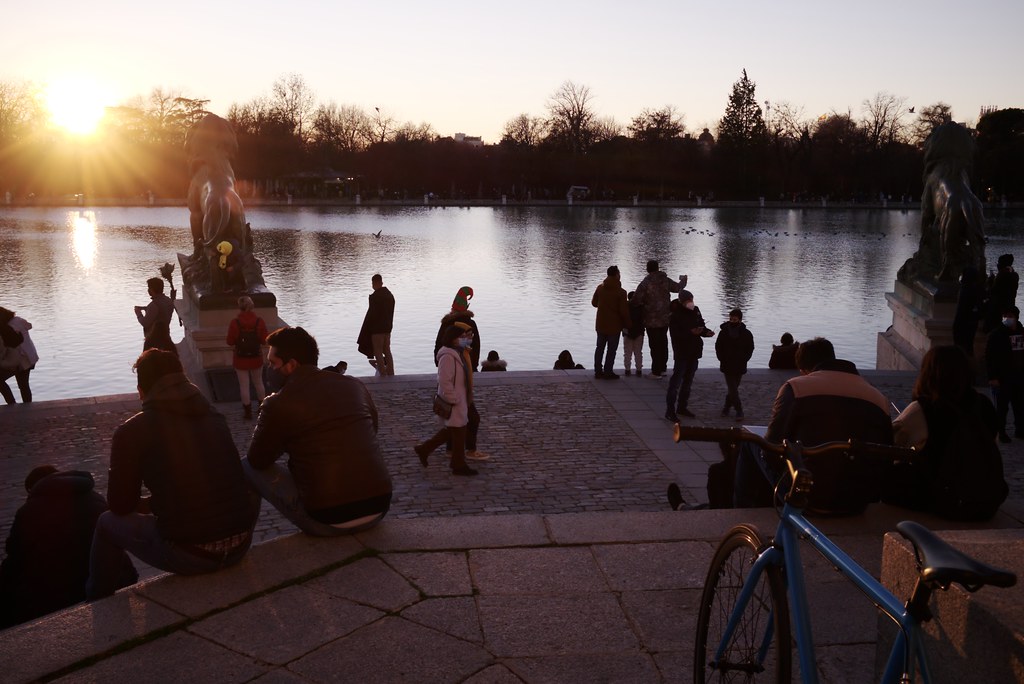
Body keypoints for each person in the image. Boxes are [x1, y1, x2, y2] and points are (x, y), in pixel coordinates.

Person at [87, 349, 258, 599]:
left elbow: (120, 506)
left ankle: (97, 600)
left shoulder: (132, 431)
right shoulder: (215, 416)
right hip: (241, 545)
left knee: (106, 523)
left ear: (141, 391)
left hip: (189, 553)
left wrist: (149, 504)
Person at [243, 326, 394, 535]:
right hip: (379, 507)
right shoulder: (354, 385)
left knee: (246, 467)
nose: (269, 368)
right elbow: (372, 429)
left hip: (328, 517)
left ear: (292, 365)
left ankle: (238, 539)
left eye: (272, 363)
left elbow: (258, 460)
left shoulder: (279, 403)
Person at [732, 337, 893, 514]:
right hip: (858, 500)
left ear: (804, 370)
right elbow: (886, 455)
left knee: (751, 443)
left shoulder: (797, 388)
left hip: (808, 494)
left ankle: (743, 512)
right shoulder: (879, 398)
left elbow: (772, 448)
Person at [1, 466, 136, 628]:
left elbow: (15, 556)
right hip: (117, 579)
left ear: (33, 488)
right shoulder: (97, 498)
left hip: (68, 591)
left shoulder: (29, 511)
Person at [886, 345, 1008, 519]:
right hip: (985, 498)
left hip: (944, 495)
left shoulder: (923, 409)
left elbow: (890, 442)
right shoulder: (984, 405)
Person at [415, 324, 480, 475]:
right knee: (458, 430)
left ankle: (426, 450)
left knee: (454, 430)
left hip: (461, 398)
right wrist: (453, 398)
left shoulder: (459, 353)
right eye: (462, 337)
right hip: (454, 400)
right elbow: (444, 380)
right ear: (453, 339)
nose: (466, 339)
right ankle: (458, 465)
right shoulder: (448, 357)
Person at [666, 290, 714, 422]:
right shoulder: (675, 315)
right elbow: (675, 335)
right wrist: (690, 333)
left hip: (694, 351)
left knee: (688, 381)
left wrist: (705, 332)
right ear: (682, 301)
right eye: (688, 300)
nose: (691, 303)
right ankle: (670, 410)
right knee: (676, 382)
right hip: (682, 352)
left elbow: (701, 326)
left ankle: (682, 407)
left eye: (691, 299)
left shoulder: (696, 310)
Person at [634, 260, 686, 377]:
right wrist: (684, 280)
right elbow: (678, 288)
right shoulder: (665, 280)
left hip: (651, 319)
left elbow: (636, 300)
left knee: (654, 344)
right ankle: (662, 368)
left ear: (647, 269)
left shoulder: (645, 283)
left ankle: (656, 371)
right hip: (665, 318)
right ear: (658, 268)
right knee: (663, 342)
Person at [984, 304, 1024, 443]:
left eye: (1010, 316)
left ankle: (1020, 430)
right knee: (1002, 407)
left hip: (1019, 376)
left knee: (1019, 405)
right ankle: (1001, 432)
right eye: (1005, 316)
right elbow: (989, 357)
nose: (1007, 319)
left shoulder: (1022, 332)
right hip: (1003, 377)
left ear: (1016, 318)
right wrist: (992, 377)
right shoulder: (996, 335)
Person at [226, 296, 268, 420]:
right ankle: (262, 408)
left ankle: (247, 411)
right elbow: (264, 340)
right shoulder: (259, 321)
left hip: (240, 358)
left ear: (239, 307)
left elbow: (229, 341)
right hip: (256, 357)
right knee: (259, 382)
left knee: (244, 385)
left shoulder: (235, 322)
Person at [591, 265, 631, 379]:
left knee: (599, 348)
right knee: (611, 349)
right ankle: (608, 371)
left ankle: (598, 371)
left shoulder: (600, 288)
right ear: (616, 275)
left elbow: (594, 303)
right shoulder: (621, 292)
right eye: (619, 273)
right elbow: (624, 311)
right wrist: (628, 324)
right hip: (614, 326)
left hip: (601, 324)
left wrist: (603, 305)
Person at [715, 308, 754, 420]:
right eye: (731, 319)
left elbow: (750, 348)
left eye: (735, 319)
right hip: (727, 364)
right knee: (733, 388)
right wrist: (721, 358)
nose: (732, 321)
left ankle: (726, 408)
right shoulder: (724, 332)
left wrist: (745, 359)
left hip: (740, 364)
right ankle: (739, 410)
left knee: (734, 389)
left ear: (740, 320)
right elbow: (718, 346)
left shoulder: (746, 334)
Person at [356, 273, 396, 376]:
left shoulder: (375, 297)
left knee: (378, 351)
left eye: (372, 283)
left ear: (374, 283)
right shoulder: (390, 296)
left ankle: (382, 374)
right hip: (387, 328)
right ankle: (391, 373)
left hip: (377, 330)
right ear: (381, 282)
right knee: (387, 350)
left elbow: (371, 315)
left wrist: (366, 331)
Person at [434, 286, 480, 371]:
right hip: (468, 363)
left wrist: (438, 362)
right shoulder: (471, 324)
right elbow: (476, 345)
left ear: (453, 308)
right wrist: (474, 365)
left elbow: (439, 343)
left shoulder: (446, 323)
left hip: (447, 363)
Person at [0, 306, 37, 404]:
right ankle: (28, 407)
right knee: (24, 385)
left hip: (15, 361)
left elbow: (2, 350)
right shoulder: (18, 320)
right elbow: (29, 326)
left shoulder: (3, 330)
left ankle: (11, 404)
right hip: (28, 358)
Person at [133, 277, 177, 355]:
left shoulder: (154, 305)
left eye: (149, 288)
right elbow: (160, 311)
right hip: (166, 336)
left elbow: (145, 323)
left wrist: (138, 313)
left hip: (154, 341)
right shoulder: (168, 301)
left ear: (152, 289)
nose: (148, 290)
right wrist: (145, 308)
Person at [953, 265, 984, 357]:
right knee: (967, 348)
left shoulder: (964, 289)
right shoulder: (975, 289)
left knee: (961, 349)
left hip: (961, 324)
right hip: (970, 324)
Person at [983, 253, 1019, 333]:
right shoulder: (1014, 275)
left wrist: (990, 281)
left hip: (998, 305)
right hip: (1009, 304)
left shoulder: (1001, 275)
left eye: (998, 263)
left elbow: (993, 291)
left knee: (995, 325)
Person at [623, 290, 645, 376]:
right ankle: (639, 369)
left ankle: (627, 369)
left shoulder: (625, 306)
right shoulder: (641, 307)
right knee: (638, 352)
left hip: (627, 331)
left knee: (627, 352)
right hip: (639, 332)